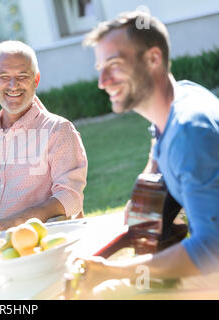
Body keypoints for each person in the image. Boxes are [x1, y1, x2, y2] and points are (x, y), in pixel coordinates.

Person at [77, 11, 219, 298]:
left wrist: (116, 272)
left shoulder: (190, 132)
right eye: (100, 68)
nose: (102, 81)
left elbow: (211, 251)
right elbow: (158, 140)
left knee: (103, 293)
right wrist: (145, 191)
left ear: (153, 59)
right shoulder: (181, 97)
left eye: (114, 65)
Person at [0, 41, 88, 234]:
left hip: (34, 245)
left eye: (22, 76)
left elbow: (70, 197)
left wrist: (16, 221)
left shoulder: (58, 130)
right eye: (3, 76)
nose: (13, 85)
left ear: (36, 80)